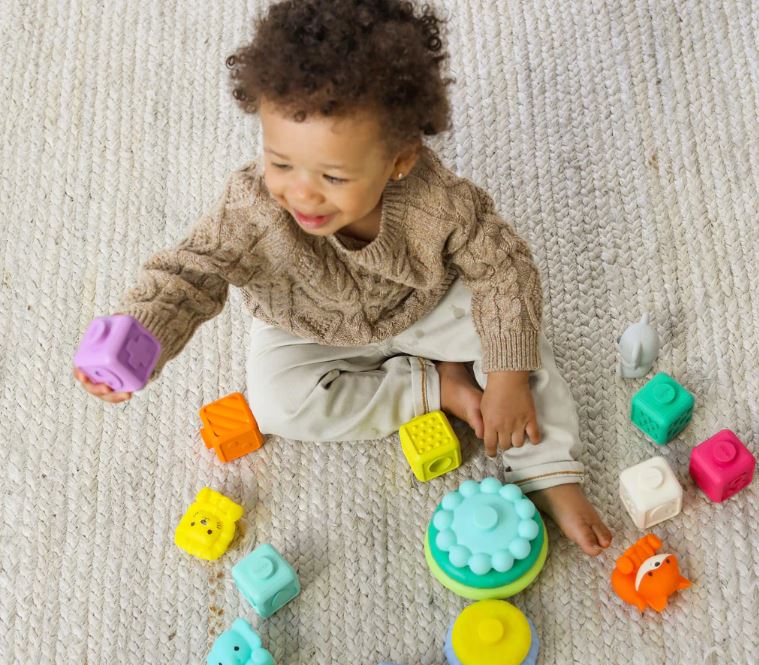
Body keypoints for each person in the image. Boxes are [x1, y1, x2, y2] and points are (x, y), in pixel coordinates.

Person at [74, 0, 612, 555]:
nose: (302, 193)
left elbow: (504, 269)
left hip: (423, 303)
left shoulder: (437, 202)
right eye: (281, 163)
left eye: (333, 176)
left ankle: (549, 470)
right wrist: (142, 334)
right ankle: (436, 387)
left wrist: (507, 379)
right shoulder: (253, 209)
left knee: (520, 344)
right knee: (276, 402)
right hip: (305, 323)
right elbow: (192, 272)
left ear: (398, 161)